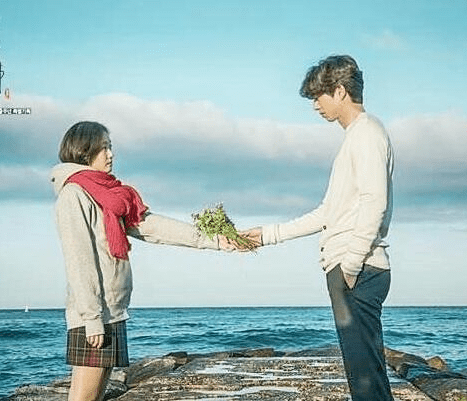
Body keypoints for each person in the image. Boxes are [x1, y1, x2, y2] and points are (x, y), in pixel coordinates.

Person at [243, 55, 395, 401]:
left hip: (358, 267)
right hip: (352, 266)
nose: (315, 105)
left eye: (318, 96)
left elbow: (375, 201)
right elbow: (329, 212)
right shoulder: (357, 136)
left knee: (365, 381)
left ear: (340, 91)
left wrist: (351, 264)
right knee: (366, 376)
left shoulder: (366, 133)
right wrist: (269, 234)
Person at [51, 121, 229, 401]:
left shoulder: (109, 196)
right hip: (94, 315)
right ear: (85, 151)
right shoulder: (74, 194)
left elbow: (154, 227)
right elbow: (79, 260)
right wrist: (92, 319)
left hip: (113, 310)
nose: (111, 154)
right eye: (104, 148)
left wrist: (215, 240)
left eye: (110, 147)